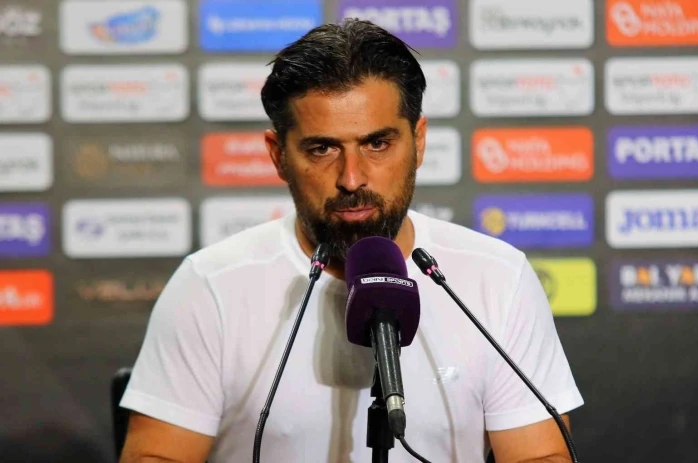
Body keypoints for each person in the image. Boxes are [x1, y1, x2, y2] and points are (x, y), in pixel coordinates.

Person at [119, 19, 584, 463]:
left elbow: (539, 453)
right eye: (322, 148)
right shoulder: (211, 286)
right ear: (278, 156)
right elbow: (158, 454)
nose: (352, 178)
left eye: (377, 144)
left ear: (419, 141)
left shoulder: (497, 277)